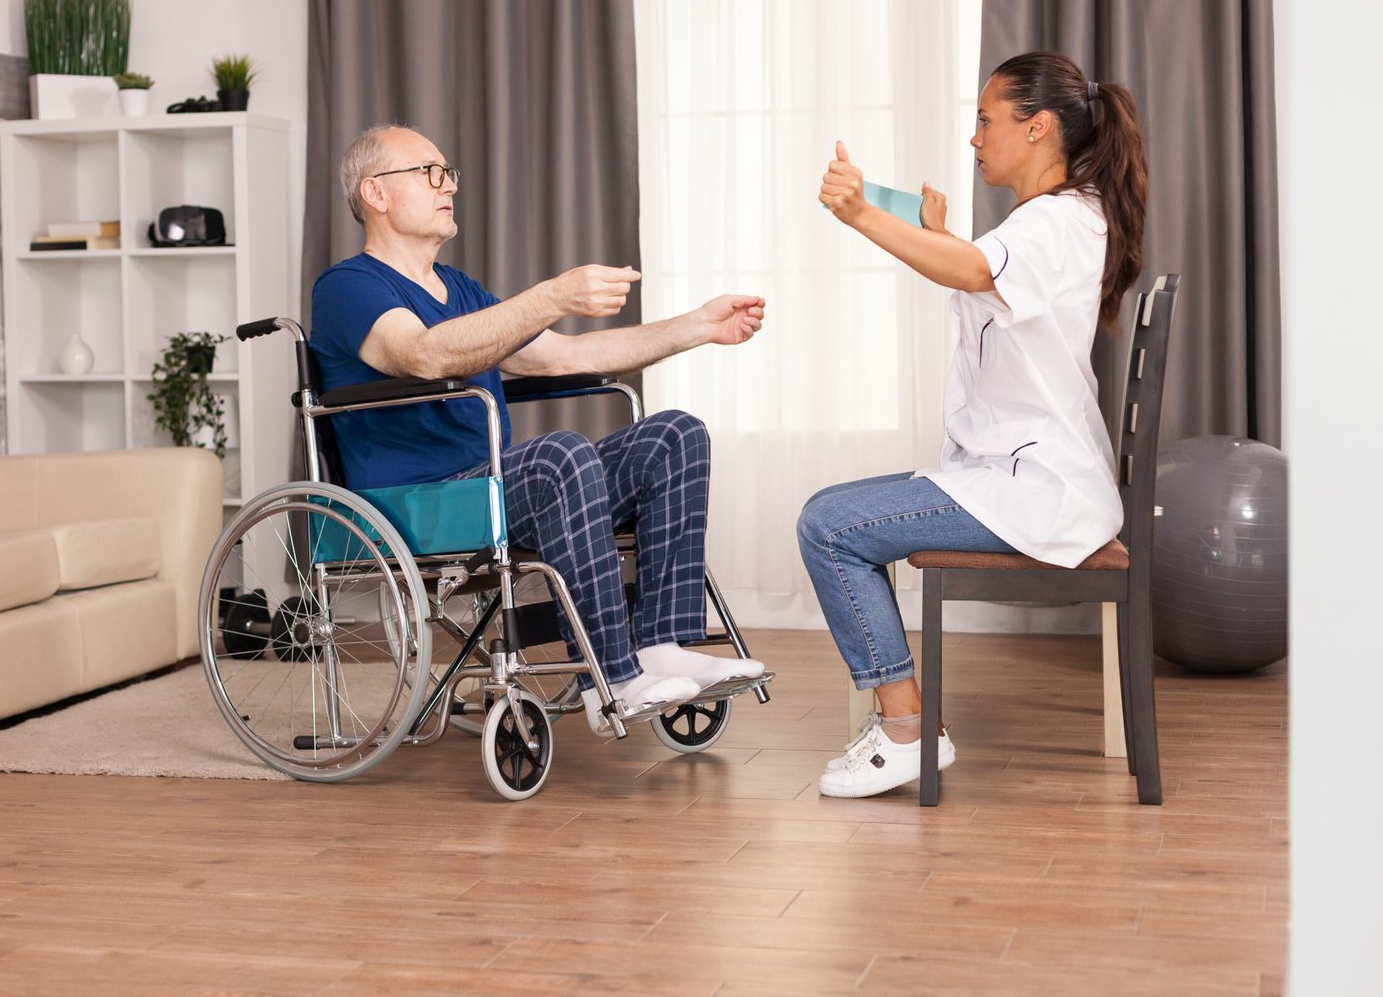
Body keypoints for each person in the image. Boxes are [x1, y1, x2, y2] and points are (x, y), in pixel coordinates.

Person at [311, 124, 769, 736]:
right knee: (560, 455)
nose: (448, 186)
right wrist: (553, 295)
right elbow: (422, 354)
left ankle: (660, 646)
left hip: (492, 488)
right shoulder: (347, 286)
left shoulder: (462, 291)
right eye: (430, 173)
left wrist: (697, 327)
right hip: (419, 502)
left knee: (674, 436)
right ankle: (612, 679)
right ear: (376, 193)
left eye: (449, 173)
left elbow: (562, 357)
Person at [798, 51, 1149, 797]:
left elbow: (970, 273)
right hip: (1020, 477)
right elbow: (975, 268)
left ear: (1039, 126)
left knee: (828, 525)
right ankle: (904, 725)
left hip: (1037, 488)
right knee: (834, 517)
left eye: (987, 120)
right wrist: (936, 232)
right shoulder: (1057, 219)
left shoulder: (1058, 222)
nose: (975, 138)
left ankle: (905, 733)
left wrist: (861, 214)